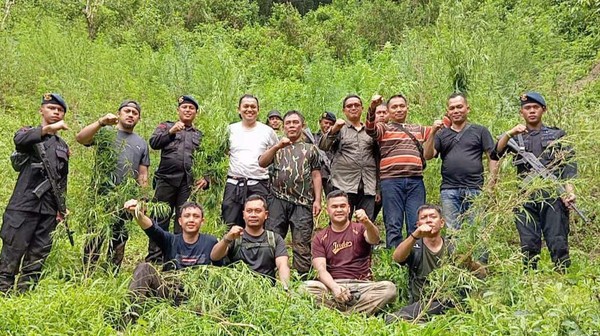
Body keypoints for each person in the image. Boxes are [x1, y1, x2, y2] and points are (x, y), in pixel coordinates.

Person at [494, 91, 576, 271]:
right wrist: (509, 133)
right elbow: (496, 152)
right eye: (527, 108)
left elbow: (568, 166)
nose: (531, 111)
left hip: (552, 195)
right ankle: (529, 278)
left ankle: (564, 275)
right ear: (521, 112)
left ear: (543, 110)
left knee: (557, 239)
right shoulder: (516, 137)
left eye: (535, 107)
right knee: (528, 242)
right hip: (525, 197)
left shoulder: (557, 135)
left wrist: (569, 192)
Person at [0, 93, 70, 293]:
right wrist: (46, 130)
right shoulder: (28, 133)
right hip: (23, 206)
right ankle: (3, 295)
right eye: (52, 108)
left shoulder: (63, 146)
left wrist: (61, 208)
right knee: (11, 253)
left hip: (48, 210)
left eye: (60, 110)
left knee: (37, 257)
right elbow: (19, 140)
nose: (56, 112)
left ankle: (25, 295)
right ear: (42, 110)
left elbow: (62, 179)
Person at [76, 100, 150, 269]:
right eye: (127, 111)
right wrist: (100, 122)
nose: (131, 114)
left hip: (126, 198)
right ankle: (87, 270)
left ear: (138, 118)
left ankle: (112, 271)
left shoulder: (141, 143)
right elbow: (81, 138)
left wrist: (143, 198)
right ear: (119, 114)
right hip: (101, 194)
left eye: (135, 113)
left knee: (119, 237)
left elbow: (143, 174)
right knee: (95, 234)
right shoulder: (106, 132)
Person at [122, 199, 220, 323]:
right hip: (167, 292)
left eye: (196, 216)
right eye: (187, 216)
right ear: (180, 221)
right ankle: (128, 320)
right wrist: (137, 213)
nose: (191, 220)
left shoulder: (210, 242)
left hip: (196, 298)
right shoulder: (170, 240)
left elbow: (220, 267)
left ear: (202, 221)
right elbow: (152, 228)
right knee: (144, 267)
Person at [302, 190, 397, 315]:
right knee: (304, 288)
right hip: (333, 285)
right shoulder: (320, 237)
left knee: (389, 289)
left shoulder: (361, 228)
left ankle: (339, 314)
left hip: (361, 286)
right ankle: (359, 313)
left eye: (342, 206)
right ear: (327, 210)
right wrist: (335, 288)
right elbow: (320, 270)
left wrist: (367, 222)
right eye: (334, 207)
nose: (339, 210)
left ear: (348, 209)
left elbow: (375, 239)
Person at [387, 204, 486, 322]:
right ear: (418, 225)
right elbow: (397, 258)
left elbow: (481, 274)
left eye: (433, 216)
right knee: (392, 319)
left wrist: (469, 263)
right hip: (421, 302)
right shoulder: (414, 246)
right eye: (423, 218)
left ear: (442, 223)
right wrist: (414, 236)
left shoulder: (453, 247)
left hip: (448, 300)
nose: (428, 220)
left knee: (396, 319)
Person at [365, 94, 437, 248]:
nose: (399, 109)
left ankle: (416, 257)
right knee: (393, 222)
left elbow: (441, 130)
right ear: (388, 111)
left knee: (416, 222)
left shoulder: (418, 129)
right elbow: (370, 129)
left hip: (415, 181)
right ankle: (395, 258)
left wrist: (439, 125)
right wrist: (372, 108)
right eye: (394, 107)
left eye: (402, 106)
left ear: (407, 108)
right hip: (391, 182)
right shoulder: (384, 128)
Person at [147, 95, 209, 263]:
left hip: (188, 184)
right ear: (178, 110)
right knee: (159, 219)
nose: (188, 110)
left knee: (184, 220)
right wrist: (171, 132)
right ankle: (155, 258)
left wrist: (206, 178)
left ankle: (177, 259)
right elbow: (153, 142)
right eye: (184, 107)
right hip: (166, 180)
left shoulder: (199, 135)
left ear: (196, 112)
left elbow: (208, 160)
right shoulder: (166, 126)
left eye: (191, 108)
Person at [258, 111, 322, 275]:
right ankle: (267, 277)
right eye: (288, 123)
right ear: (283, 126)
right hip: (277, 200)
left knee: (302, 242)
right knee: (272, 239)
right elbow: (262, 163)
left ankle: (303, 281)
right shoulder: (277, 147)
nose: (292, 126)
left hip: (303, 203)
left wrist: (317, 200)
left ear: (303, 125)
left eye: (295, 122)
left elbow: (316, 175)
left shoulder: (311, 149)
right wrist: (277, 146)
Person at [423, 93, 498, 231]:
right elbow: (427, 155)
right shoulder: (441, 134)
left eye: (459, 107)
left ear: (467, 109)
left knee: (477, 230)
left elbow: (492, 157)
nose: (456, 111)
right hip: (449, 190)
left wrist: (491, 183)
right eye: (452, 108)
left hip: (475, 189)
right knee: (453, 231)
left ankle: (478, 254)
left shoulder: (480, 131)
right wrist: (432, 132)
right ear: (448, 112)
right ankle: (455, 254)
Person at [221, 94, 279, 228]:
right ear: (239, 109)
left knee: (258, 225)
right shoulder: (229, 130)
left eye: (253, 107)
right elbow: (220, 154)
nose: (249, 109)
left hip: (259, 183)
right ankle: (232, 249)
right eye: (245, 106)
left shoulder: (268, 131)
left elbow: (276, 155)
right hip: (234, 183)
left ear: (258, 110)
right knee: (230, 225)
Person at [319, 95, 378, 221]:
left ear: (362, 108)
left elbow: (378, 157)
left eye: (356, 105)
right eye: (349, 106)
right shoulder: (339, 129)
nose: (353, 108)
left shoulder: (371, 130)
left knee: (366, 224)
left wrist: (378, 187)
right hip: (343, 184)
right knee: (340, 222)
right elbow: (323, 146)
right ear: (344, 111)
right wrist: (334, 129)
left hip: (368, 184)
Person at [211, 195, 290, 288]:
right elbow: (214, 257)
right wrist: (226, 239)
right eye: (249, 211)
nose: (253, 215)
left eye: (258, 211)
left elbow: (282, 265)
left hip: (267, 292)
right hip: (238, 291)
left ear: (266, 215)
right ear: (243, 215)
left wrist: (285, 288)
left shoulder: (274, 238)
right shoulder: (234, 236)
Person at [312, 111, 337, 196]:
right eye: (325, 123)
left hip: (332, 174)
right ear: (320, 122)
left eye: (331, 124)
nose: (328, 126)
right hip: (316, 172)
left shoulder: (337, 138)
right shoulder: (312, 138)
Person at [372, 102, 388, 222]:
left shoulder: (393, 133)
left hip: (388, 178)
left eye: (384, 112)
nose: (382, 115)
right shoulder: (368, 134)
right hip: (368, 179)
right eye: (379, 113)